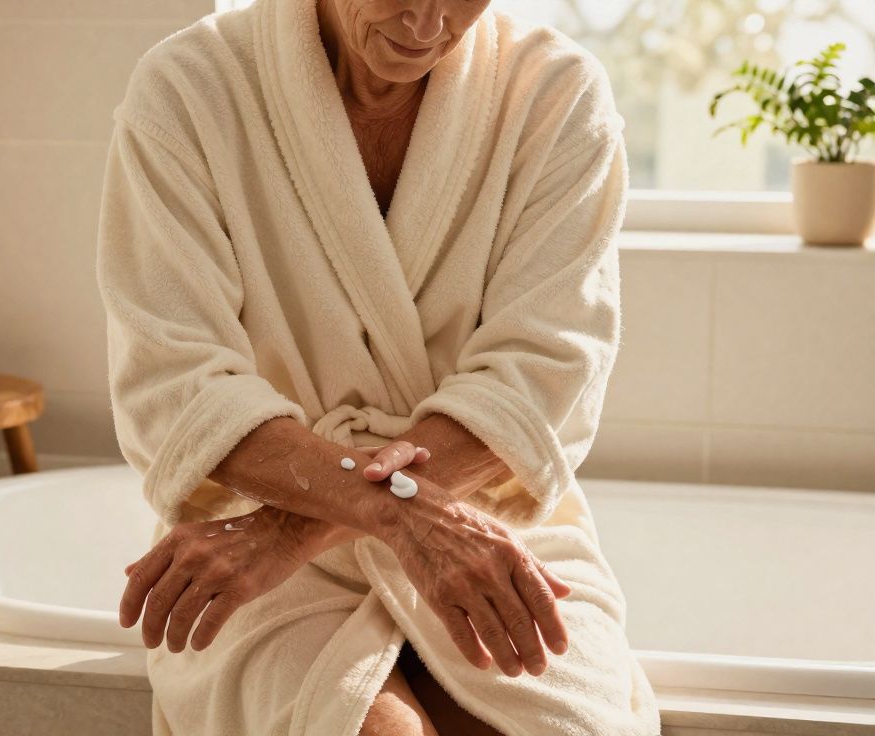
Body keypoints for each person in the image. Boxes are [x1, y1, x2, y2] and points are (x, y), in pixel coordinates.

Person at [95, 0, 662, 733]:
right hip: (260, 542)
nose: (428, 24)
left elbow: (546, 367)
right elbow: (175, 383)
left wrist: (296, 531)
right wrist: (391, 514)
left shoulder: (554, 93)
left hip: (474, 524)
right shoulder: (192, 89)